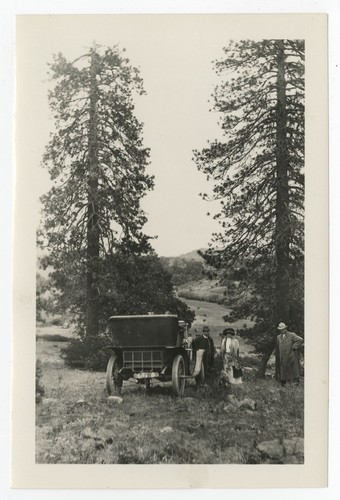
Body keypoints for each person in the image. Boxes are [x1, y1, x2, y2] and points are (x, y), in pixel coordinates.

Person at [275, 322, 304, 386]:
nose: (281, 330)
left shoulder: (291, 335)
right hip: (282, 356)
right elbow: (278, 346)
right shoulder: (278, 337)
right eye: (280, 329)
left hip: (291, 354)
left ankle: (296, 383)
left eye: (283, 329)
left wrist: (294, 347)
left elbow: (300, 339)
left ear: (285, 328)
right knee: (283, 369)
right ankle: (283, 384)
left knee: (293, 369)